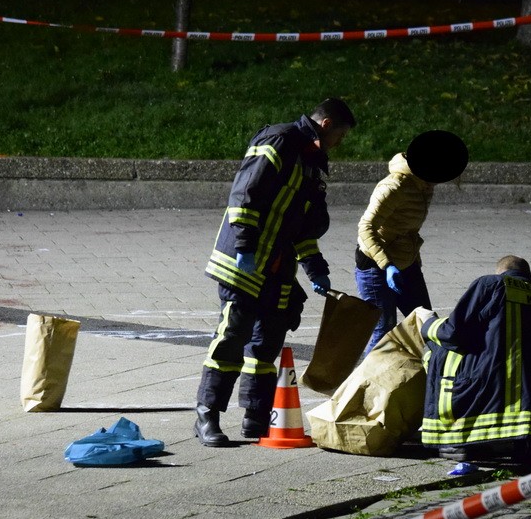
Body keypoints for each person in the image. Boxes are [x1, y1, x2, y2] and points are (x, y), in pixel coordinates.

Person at [194, 97, 356, 447]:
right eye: (340, 136)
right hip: (244, 262)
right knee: (232, 337)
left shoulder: (313, 161)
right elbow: (244, 196)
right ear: (327, 125)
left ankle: (256, 418)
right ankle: (207, 415)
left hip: (277, 269)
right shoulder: (280, 141)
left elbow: (302, 227)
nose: (339, 145)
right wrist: (245, 247)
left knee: (266, 346)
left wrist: (315, 269)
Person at [419, 255, 531, 467]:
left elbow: (453, 333)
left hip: (484, 388)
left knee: (437, 352)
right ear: (529, 278)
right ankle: (524, 444)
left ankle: (457, 439)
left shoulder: (492, 284)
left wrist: (427, 324)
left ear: (500, 271)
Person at [355, 130, 469, 354]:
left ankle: (431, 378)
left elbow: (407, 229)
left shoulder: (423, 185)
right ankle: (365, 384)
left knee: (425, 322)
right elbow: (365, 227)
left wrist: (413, 260)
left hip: (406, 263)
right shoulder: (394, 187)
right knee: (383, 328)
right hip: (375, 265)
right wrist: (387, 265)